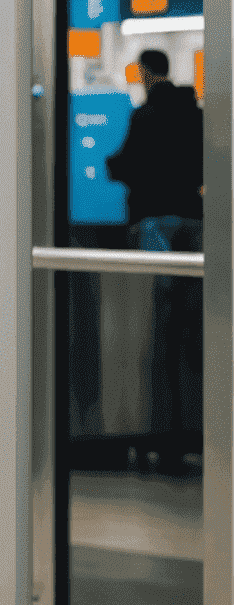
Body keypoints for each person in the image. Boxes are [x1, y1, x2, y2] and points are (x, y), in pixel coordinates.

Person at [106, 47, 204, 465]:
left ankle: (163, 436)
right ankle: (194, 432)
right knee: (193, 329)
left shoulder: (143, 118)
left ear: (146, 73)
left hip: (155, 223)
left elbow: (125, 165)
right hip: (194, 222)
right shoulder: (195, 113)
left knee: (161, 328)